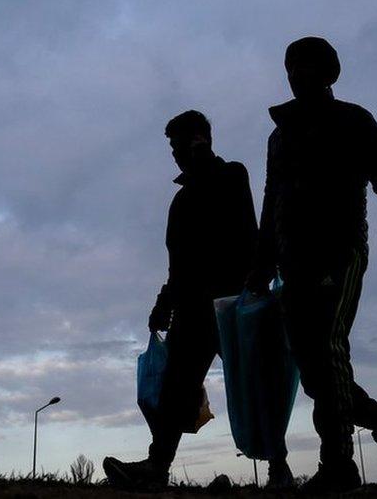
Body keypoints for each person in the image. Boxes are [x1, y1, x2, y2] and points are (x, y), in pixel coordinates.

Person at [247, 37, 377, 492]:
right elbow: (270, 203)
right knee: (317, 372)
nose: (296, 73)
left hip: (341, 250)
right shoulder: (278, 137)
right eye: (290, 65)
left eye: (306, 64)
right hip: (291, 263)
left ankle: (337, 463)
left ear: (330, 72)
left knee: (328, 346)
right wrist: (260, 267)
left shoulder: (353, 121)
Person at [103, 111, 294, 489]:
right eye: (171, 147)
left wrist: (203, 157)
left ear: (201, 140)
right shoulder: (180, 201)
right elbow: (179, 264)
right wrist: (164, 303)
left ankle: (279, 468)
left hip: (235, 304)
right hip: (192, 310)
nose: (174, 154)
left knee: (256, 383)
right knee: (176, 387)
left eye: (180, 145)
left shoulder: (232, 175)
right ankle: (157, 467)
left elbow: (244, 227)